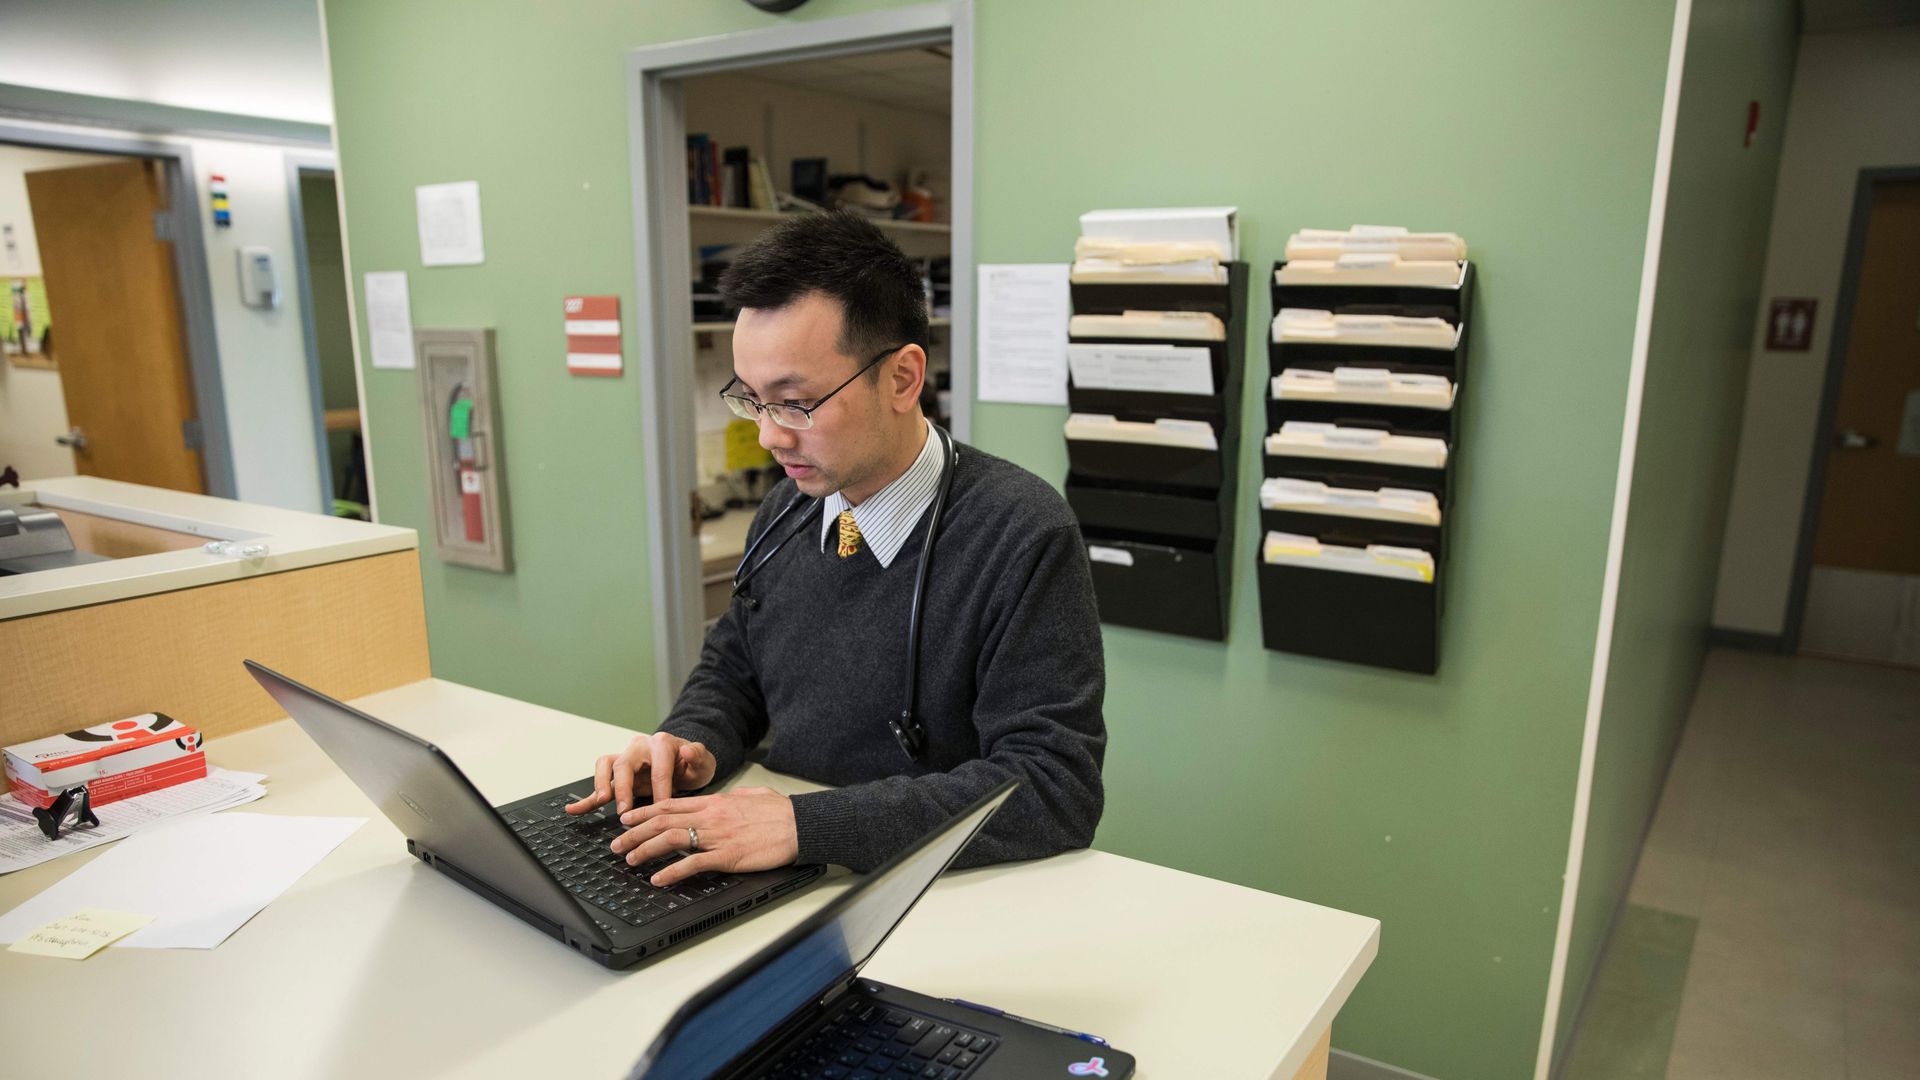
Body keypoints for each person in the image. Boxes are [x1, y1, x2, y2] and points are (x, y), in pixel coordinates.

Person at [565, 211, 1106, 886]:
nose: (768, 436)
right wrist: (694, 743)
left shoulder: (1021, 533)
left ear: (903, 379)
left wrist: (805, 825)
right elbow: (735, 674)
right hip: (777, 872)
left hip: (929, 897)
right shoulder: (790, 508)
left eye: (794, 403)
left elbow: (1053, 789)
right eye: (751, 400)